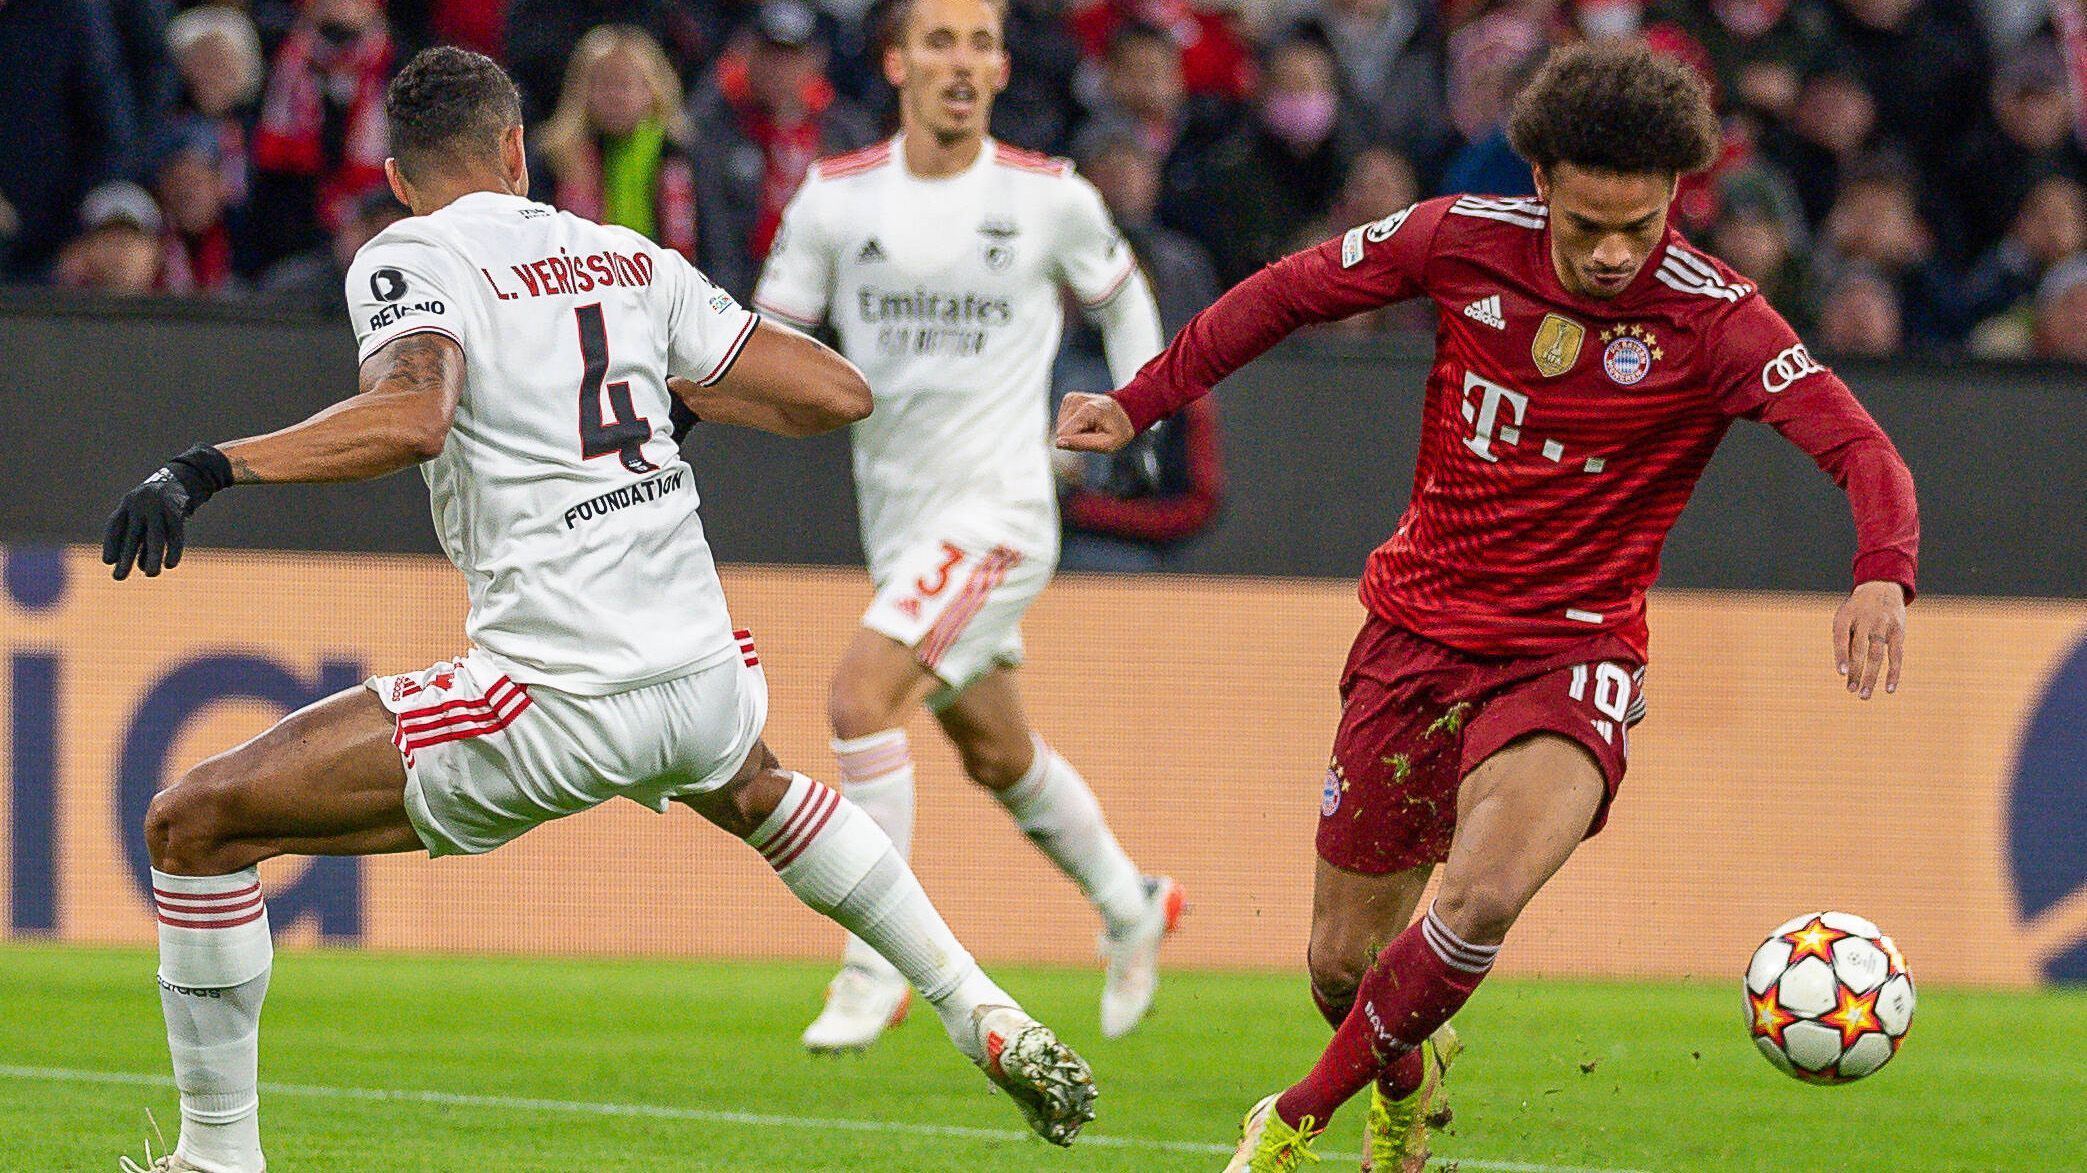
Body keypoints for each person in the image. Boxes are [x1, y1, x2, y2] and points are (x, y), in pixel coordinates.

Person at [106, 47, 1095, 1173]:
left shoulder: (411, 252)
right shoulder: (626, 257)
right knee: (759, 789)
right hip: (702, 672)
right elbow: (836, 393)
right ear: (519, 151)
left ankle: (215, 1158)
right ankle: (979, 1009)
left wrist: (207, 468)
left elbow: (415, 413)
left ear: (395, 177)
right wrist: (675, 399)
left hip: (554, 691)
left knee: (192, 826)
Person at [1057, 41, 1918, 1171]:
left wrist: (1879, 569)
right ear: (1541, 186)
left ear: (1674, 199)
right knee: (1339, 968)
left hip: (1571, 655)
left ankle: (1291, 1126)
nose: (1613, 255)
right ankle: (1405, 1092)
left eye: (1641, 226)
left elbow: (1860, 447)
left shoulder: (1715, 317)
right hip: (1413, 635)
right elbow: (1284, 293)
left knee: (1479, 897)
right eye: (1587, 226)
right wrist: (1138, 403)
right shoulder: (1458, 238)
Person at [752, 0, 1181, 1053]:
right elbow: (770, 339)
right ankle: (1133, 902)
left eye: (979, 44)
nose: (961, 62)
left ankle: (873, 964)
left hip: (1002, 512)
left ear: (998, 71)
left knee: (858, 700)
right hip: (898, 522)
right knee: (996, 753)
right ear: (895, 60)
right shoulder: (834, 199)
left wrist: (1132, 411)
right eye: (938, 41)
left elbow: (1123, 298)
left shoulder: (1047, 198)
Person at [534, 25, 699, 261]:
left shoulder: (678, 154)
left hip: (667, 286)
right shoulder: (554, 156)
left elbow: (712, 242)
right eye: (604, 84)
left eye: (625, 84)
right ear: (582, 91)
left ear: (652, 89)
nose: (615, 96)